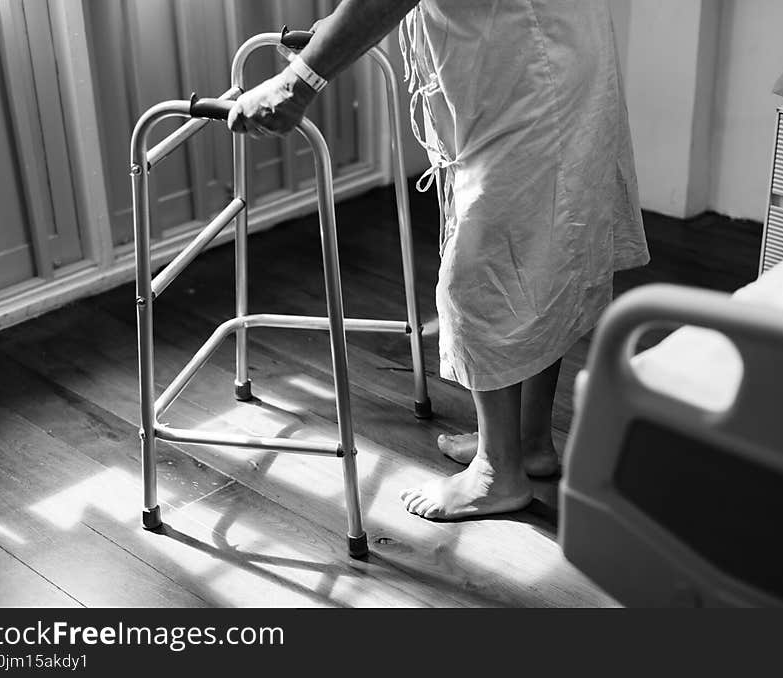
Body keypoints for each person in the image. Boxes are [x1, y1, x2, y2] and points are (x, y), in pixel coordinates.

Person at [228, 0, 649, 521]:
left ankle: (499, 473)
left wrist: (299, 79)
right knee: (545, 255)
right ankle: (526, 439)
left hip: (532, 79)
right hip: (540, 59)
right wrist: (333, 36)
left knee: (484, 272)